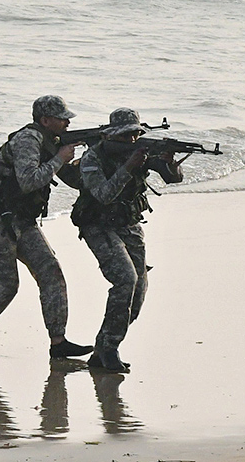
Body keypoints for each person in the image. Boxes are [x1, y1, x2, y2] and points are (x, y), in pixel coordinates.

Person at [0, 95, 92, 358]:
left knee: (51, 272)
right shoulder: (27, 140)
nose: (67, 122)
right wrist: (59, 159)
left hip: (22, 218)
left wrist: (90, 160)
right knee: (7, 285)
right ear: (45, 120)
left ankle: (58, 342)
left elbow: (75, 181)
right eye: (61, 118)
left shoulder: (52, 143)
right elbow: (29, 180)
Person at [71, 108, 183, 373]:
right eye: (125, 136)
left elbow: (171, 178)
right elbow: (102, 194)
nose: (132, 140)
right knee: (125, 279)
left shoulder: (139, 152)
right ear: (112, 136)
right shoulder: (93, 157)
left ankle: (102, 349)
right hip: (97, 224)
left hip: (128, 223)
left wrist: (170, 163)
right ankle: (109, 349)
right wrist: (129, 166)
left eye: (135, 135)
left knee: (139, 287)